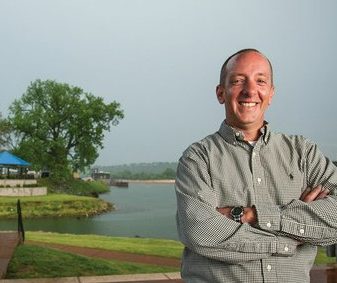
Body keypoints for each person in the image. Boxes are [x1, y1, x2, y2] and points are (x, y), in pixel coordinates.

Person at [175, 48, 337, 283]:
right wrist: (294, 236)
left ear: (271, 94)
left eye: (260, 81)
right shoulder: (197, 158)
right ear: (221, 93)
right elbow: (201, 232)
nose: (250, 91)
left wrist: (251, 216)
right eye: (238, 81)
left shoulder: (304, 152)